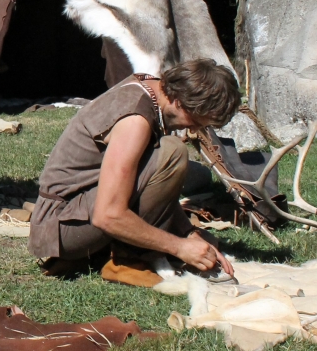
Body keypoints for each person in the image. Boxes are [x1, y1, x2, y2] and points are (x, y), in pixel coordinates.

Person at [28, 58, 241, 277]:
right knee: (172, 152)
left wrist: (189, 233)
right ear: (179, 102)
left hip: (73, 214)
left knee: (169, 154)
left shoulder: (151, 89)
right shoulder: (135, 120)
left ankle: (118, 250)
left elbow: (152, 184)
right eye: (196, 121)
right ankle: (130, 259)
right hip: (62, 227)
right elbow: (108, 215)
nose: (193, 129)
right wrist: (179, 247)